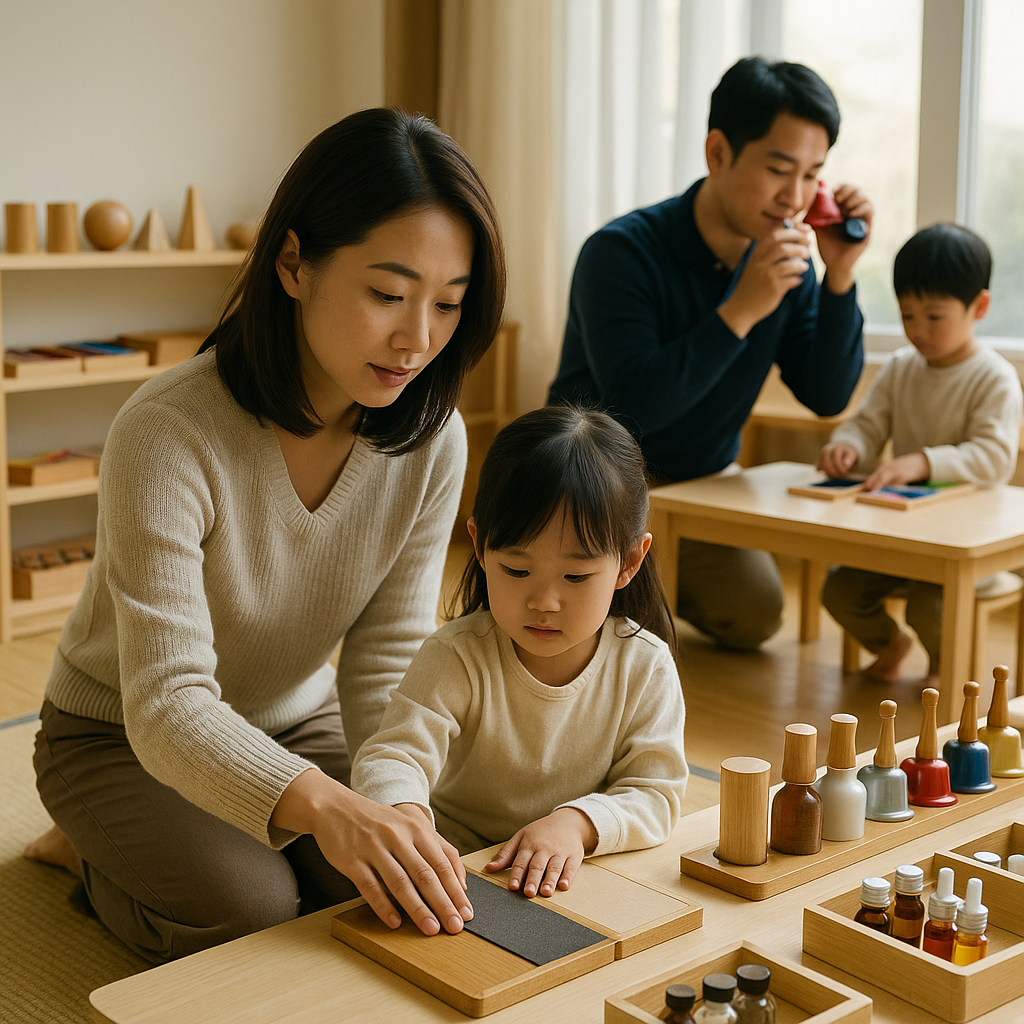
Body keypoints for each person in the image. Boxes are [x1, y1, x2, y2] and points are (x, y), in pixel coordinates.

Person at [24, 108, 507, 962]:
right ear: (294, 263)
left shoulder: (433, 438)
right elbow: (169, 703)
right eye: (388, 295)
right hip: (120, 731)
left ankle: (191, 842)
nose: (417, 338)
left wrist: (394, 802)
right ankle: (97, 858)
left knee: (416, 876)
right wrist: (326, 807)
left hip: (289, 718)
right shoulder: (167, 431)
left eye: (448, 305)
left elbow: (388, 654)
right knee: (255, 908)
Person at [547, 56, 872, 651]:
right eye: (779, 169)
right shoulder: (619, 252)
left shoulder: (789, 265)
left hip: (705, 484)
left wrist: (840, 277)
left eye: (811, 175)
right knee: (588, 631)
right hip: (598, 479)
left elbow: (826, 395)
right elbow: (631, 405)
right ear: (717, 152)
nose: (795, 197)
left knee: (756, 616)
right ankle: (627, 592)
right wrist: (740, 311)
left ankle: (646, 589)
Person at [351, 406, 688, 900]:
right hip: (456, 863)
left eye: (575, 577)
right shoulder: (458, 655)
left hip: (576, 870)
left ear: (629, 562)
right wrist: (407, 817)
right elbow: (393, 755)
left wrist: (575, 825)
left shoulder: (644, 664)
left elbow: (655, 794)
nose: (544, 602)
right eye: (515, 570)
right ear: (481, 546)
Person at [818, 223, 1023, 684]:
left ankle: (945, 676)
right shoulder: (900, 368)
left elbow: (994, 457)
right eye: (908, 316)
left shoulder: (995, 377)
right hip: (906, 536)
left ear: (980, 307)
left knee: (932, 606)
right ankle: (891, 645)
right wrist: (849, 446)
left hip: (969, 545)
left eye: (934, 317)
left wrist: (924, 462)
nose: (918, 330)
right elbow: (869, 422)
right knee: (841, 590)